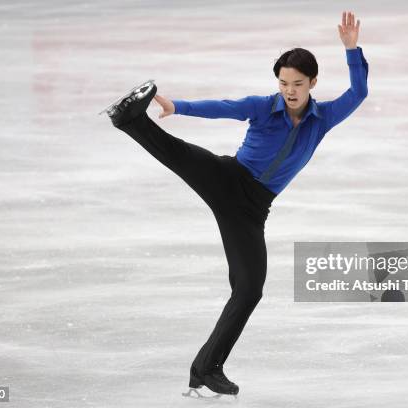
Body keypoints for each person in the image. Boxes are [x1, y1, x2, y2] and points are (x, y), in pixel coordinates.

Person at [105, 11, 368, 397]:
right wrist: (178, 106)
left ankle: (206, 369)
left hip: (253, 210)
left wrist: (351, 50)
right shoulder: (264, 106)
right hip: (229, 180)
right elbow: (225, 106)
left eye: (297, 83)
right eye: (283, 83)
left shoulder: (323, 118)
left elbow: (359, 93)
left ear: (313, 82)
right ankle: (130, 120)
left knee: (249, 289)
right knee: (181, 155)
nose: (290, 90)